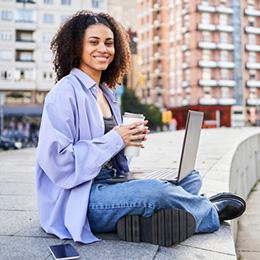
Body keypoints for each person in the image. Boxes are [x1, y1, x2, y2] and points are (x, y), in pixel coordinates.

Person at [36, 10, 246, 246]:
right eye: (93, 42)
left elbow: (110, 156)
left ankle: (149, 221)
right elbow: (58, 163)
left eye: (109, 43)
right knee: (157, 191)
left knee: (189, 176)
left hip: (109, 182)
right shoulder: (63, 93)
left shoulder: (106, 93)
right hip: (81, 198)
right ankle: (208, 211)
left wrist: (128, 143)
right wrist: (116, 138)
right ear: (76, 47)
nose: (103, 49)